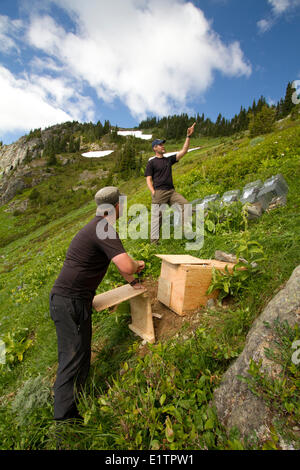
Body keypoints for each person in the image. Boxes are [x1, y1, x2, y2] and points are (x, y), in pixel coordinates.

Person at [49, 186, 145, 422]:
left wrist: (135, 282)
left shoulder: (97, 226)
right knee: (72, 359)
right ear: (116, 207)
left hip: (69, 300)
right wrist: (136, 264)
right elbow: (125, 266)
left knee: (80, 354)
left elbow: (121, 268)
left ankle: (77, 401)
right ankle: (65, 422)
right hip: (70, 302)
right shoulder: (103, 228)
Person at [144, 123, 196, 243]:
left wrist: (188, 136)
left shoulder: (168, 160)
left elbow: (184, 151)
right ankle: (153, 244)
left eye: (163, 144)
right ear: (154, 148)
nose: (163, 146)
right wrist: (153, 192)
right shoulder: (151, 162)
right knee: (157, 219)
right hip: (159, 192)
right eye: (160, 145)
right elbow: (148, 179)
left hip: (171, 192)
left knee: (186, 206)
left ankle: (186, 233)